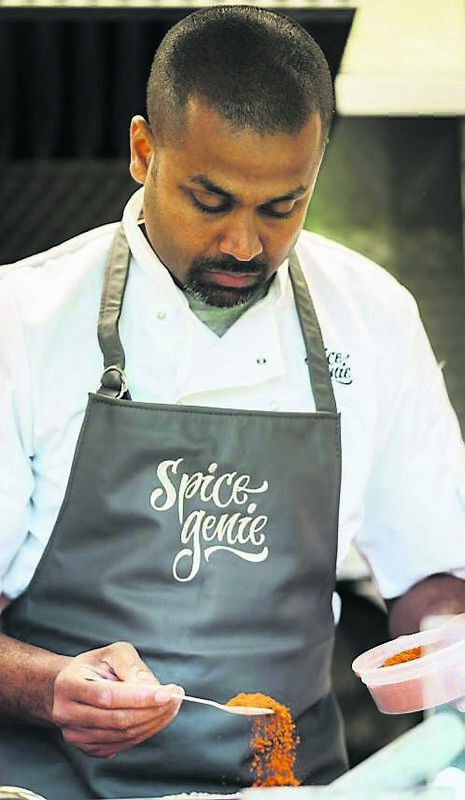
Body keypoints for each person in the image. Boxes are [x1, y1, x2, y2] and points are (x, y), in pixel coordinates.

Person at [0, 5, 464, 799]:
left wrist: (446, 640)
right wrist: (48, 688)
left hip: (286, 784)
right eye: (210, 201)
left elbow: (430, 576)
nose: (244, 245)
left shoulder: (372, 317)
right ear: (144, 151)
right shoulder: (23, 322)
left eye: (282, 207)